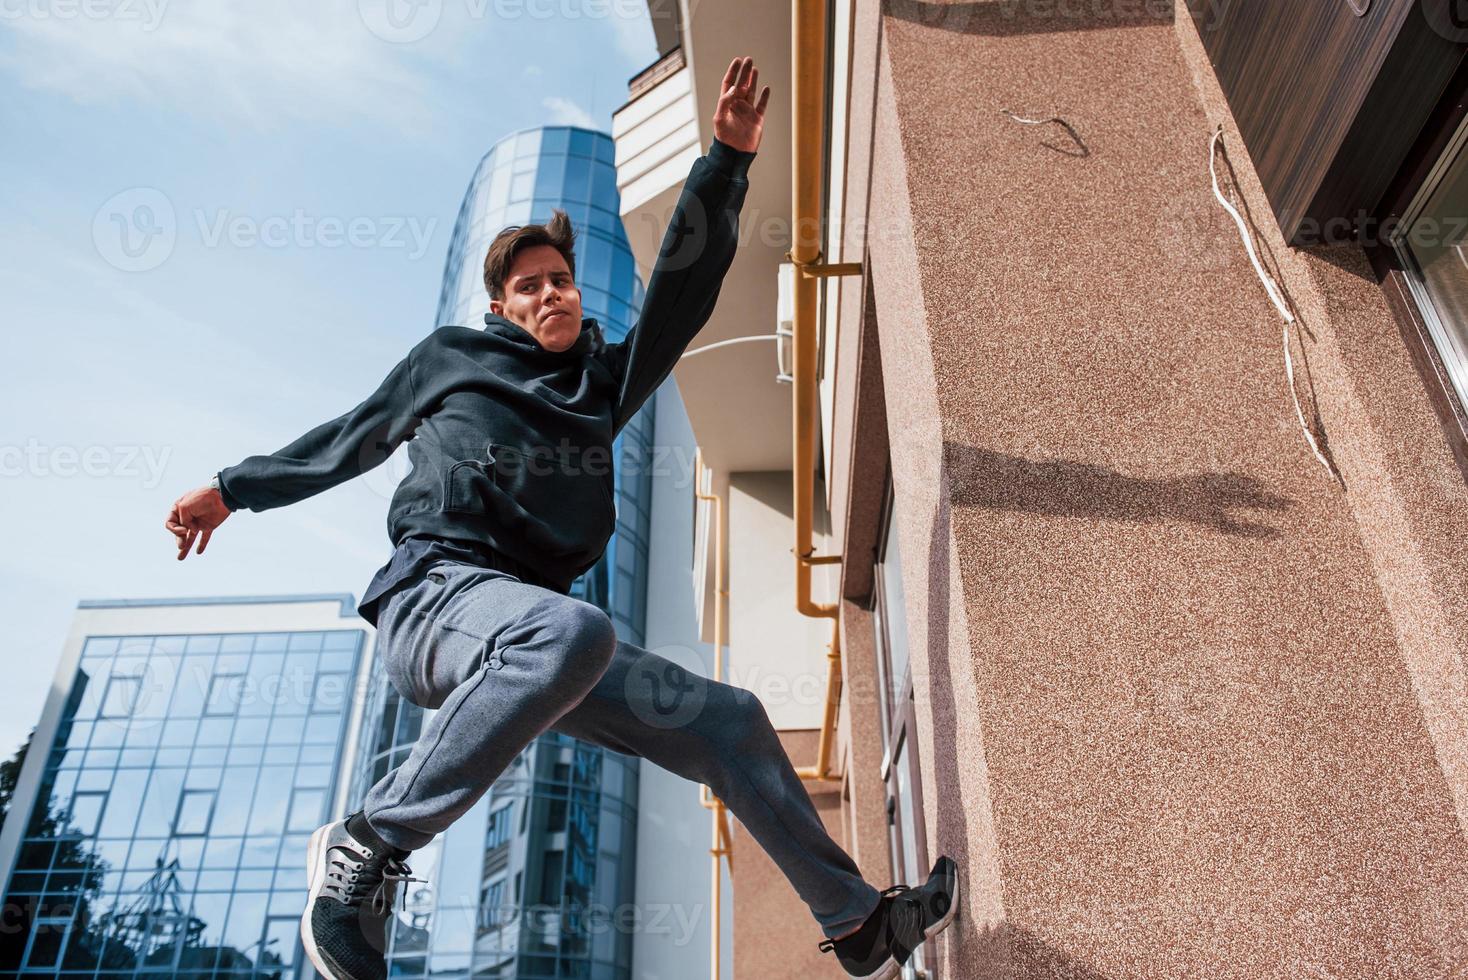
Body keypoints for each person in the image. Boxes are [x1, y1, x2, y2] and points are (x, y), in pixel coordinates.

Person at [165, 55, 958, 980]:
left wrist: (725, 163)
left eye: (561, 281)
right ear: (501, 308)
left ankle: (858, 922)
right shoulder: (451, 359)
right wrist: (234, 488)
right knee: (570, 630)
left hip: (538, 637)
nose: (551, 294)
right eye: (530, 287)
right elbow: (353, 437)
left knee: (730, 723)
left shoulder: (600, 385)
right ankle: (368, 844)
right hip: (436, 598)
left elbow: (677, 297)